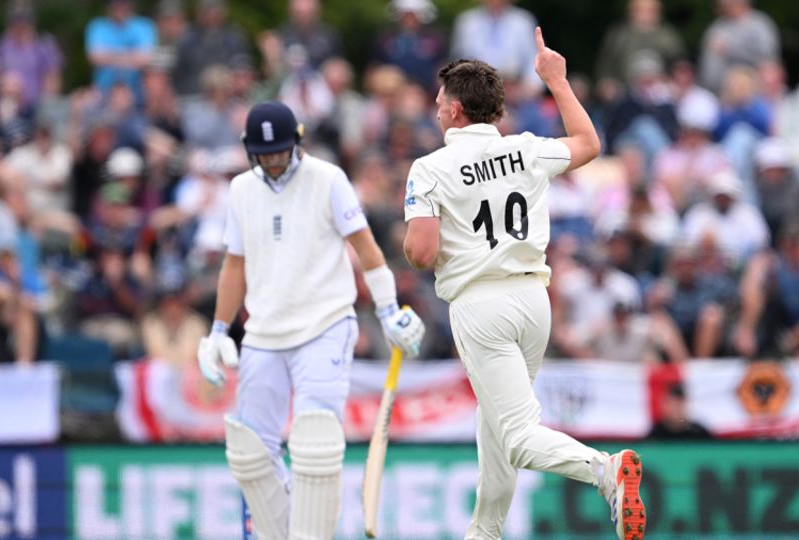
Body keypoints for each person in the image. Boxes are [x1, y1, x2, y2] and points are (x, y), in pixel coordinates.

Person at [403, 29, 646, 540]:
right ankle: (485, 531)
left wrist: (426, 239)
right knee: (496, 425)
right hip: (534, 301)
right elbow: (589, 144)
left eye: (441, 101)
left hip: (480, 304)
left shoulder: (430, 168)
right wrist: (556, 80)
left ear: (454, 112)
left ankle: (605, 470)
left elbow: (421, 253)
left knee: (514, 436)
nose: (437, 108)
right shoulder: (526, 150)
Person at [196, 101, 425, 539]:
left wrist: (388, 310)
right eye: (266, 155)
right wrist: (218, 331)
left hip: (325, 325)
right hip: (263, 332)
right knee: (250, 453)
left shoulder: (327, 179)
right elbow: (234, 265)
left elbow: (367, 248)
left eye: (282, 152)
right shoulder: (242, 189)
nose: (275, 162)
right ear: (250, 151)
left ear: (297, 143)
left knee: (315, 444)